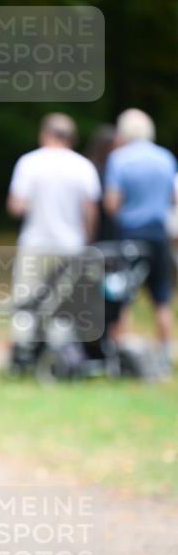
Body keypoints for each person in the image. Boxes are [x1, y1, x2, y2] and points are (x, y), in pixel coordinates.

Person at [6, 113, 101, 363]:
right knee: (64, 302)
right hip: (71, 246)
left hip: (35, 243)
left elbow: (17, 205)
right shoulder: (83, 166)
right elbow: (90, 210)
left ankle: (23, 353)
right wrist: (87, 241)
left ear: (45, 134)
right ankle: (58, 355)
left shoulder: (29, 163)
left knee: (27, 297)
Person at [103, 109, 177, 375]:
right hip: (159, 236)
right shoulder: (166, 158)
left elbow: (112, 202)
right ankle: (165, 357)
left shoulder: (119, 160)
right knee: (162, 299)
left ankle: (122, 357)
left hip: (131, 237)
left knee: (122, 298)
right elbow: (173, 198)